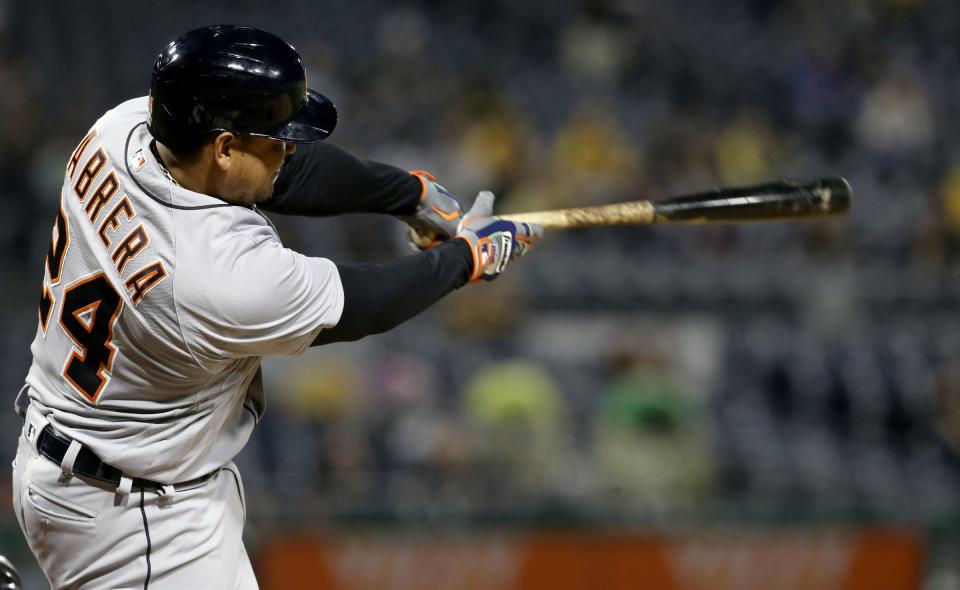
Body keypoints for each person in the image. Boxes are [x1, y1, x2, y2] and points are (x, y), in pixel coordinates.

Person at [10, 25, 540, 589]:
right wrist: (468, 259)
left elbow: (282, 176)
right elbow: (362, 303)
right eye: (275, 137)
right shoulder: (220, 278)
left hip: (69, 458)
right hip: (137, 519)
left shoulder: (117, 132)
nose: (288, 147)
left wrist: (409, 195)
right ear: (223, 146)